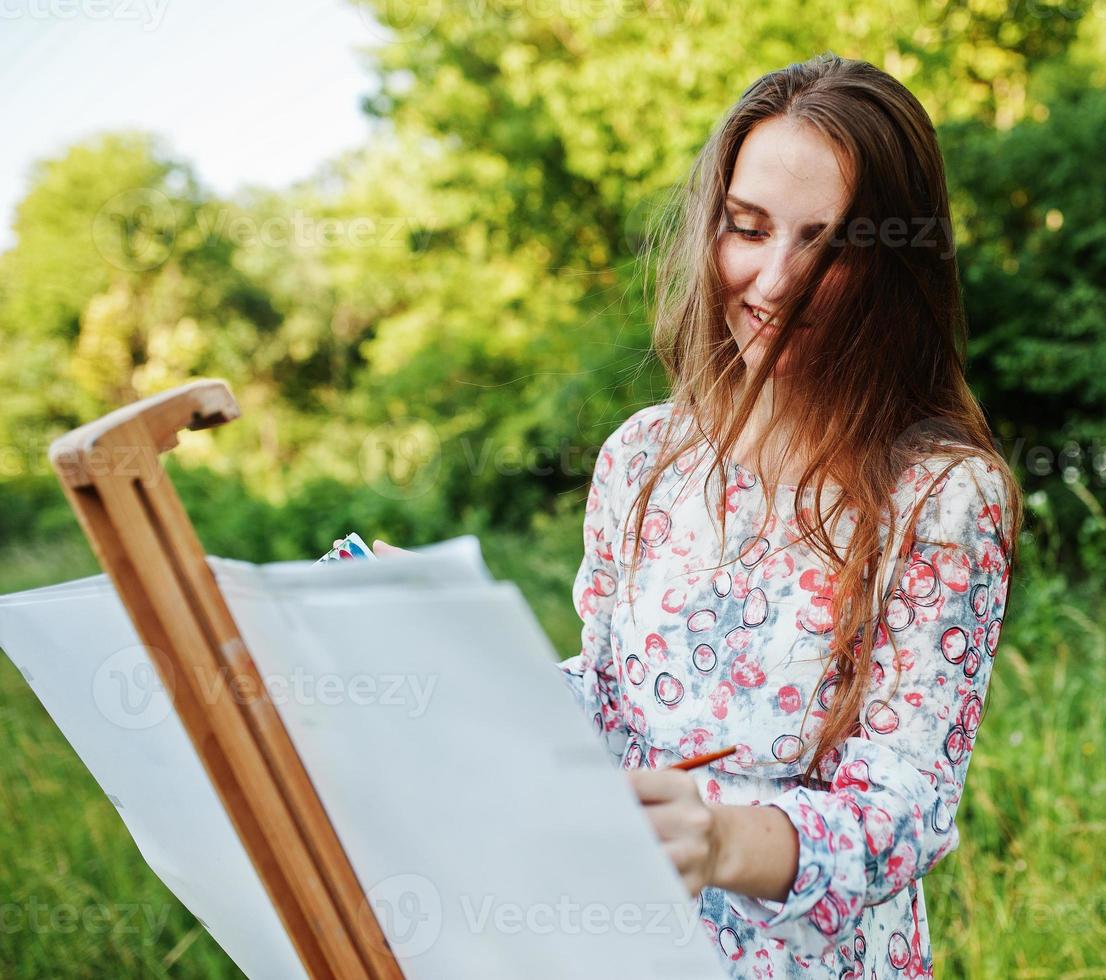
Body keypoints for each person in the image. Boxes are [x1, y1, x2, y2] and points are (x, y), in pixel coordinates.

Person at [379, 51, 1021, 979]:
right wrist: (452, 635)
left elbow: (904, 810)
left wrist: (719, 842)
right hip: (623, 945)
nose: (772, 281)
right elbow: (606, 701)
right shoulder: (644, 456)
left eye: (826, 245)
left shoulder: (941, 497)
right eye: (748, 229)